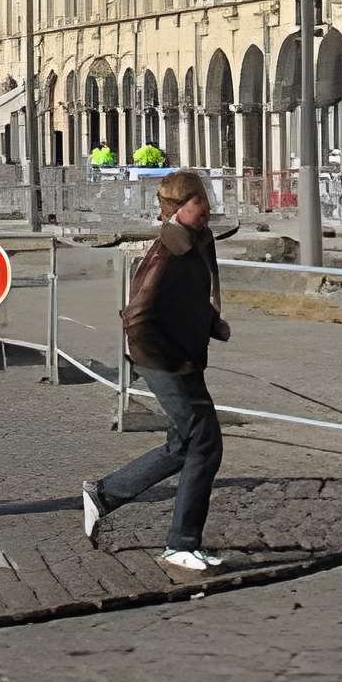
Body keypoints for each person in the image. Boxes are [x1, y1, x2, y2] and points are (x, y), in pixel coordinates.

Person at [81, 168, 229, 574]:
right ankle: (181, 544)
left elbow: (197, 297)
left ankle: (104, 495)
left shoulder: (199, 239)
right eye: (201, 201)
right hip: (163, 360)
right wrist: (159, 361)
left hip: (184, 356)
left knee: (184, 445)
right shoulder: (166, 251)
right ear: (180, 207)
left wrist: (212, 325)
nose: (208, 207)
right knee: (205, 443)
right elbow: (138, 314)